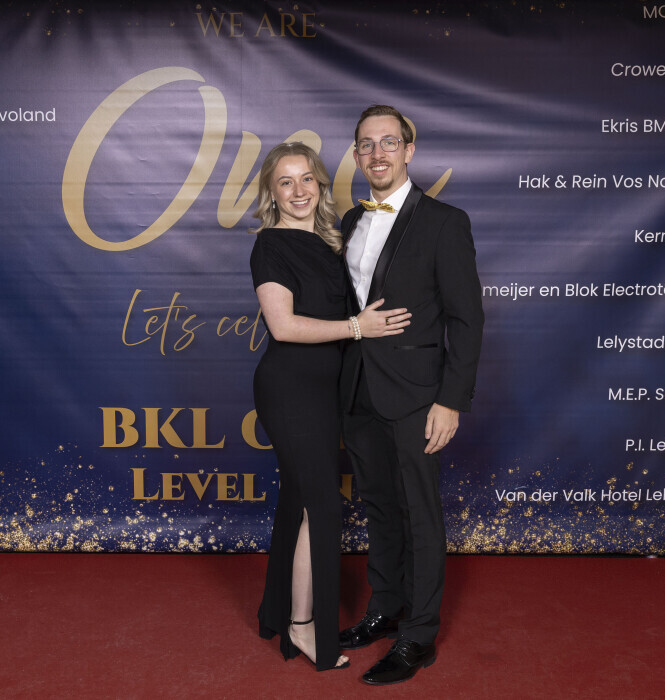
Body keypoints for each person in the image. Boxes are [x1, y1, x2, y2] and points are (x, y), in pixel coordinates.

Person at [250, 142, 411, 671]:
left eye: (307, 179)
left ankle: (277, 614)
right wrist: (357, 328)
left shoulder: (329, 242)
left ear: (320, 185)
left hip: (326, 391)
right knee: (320, 506)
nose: (298, 190)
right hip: (290, 389)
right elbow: (283, 326)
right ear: (272, 193)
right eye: (285, 182)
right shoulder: (270, 246)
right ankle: (303, 627)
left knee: (299, 503)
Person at [338, 105, 484, 685]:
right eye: (367, 144)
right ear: (356, 155)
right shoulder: (350, 219)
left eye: (389, 143)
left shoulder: (445, 222)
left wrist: (451, 401)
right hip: (358, 390)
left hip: (419, 395)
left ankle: (419, 636)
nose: (378, 154)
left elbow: (466, 320)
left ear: (409, 151)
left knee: (419, 514)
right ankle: (386, 608)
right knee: (378, 505)